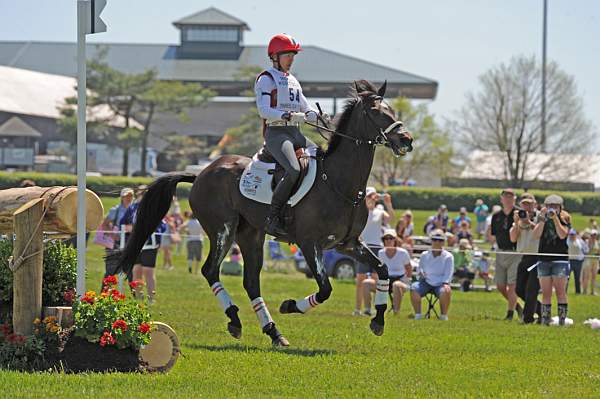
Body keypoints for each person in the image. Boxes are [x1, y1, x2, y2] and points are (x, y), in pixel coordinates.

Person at [255, 33, 329, 237]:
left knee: (323, 160)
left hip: (295, 133)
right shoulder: (266, 79)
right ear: (275, 56)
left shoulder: (293, 81)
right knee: (295, 169)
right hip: (277, 134)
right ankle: (273, 217)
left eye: (293, 55)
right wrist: (286, 114)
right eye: (288, 55)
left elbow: (306, 108)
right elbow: (263, 110)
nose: (291, 59)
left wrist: (319, 116)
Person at [121, 192, 167, 304]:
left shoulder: (154, 209)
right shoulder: (132, 208)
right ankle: (138, 298)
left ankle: (151, 298)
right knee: (136, 271)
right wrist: (131, 228)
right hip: (136, 244)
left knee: (148, 271)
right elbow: (123, 224)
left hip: (150, 244)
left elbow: (162, 226)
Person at [354, 187, 394, 316]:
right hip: (363, 246)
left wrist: (388, 204)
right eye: (369, 196)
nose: (372, 199)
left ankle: (376, 309)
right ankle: (357, 309)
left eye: (373, 196)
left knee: (377, 280)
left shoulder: (379, 212)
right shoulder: (360, 211)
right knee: (360, 280)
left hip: (377, 247)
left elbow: (391, 218)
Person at [533, 194, 571, 325]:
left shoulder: (565, 218)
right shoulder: (541, 218)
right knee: (546, 293)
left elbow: (562, 235)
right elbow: (536, 235)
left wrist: (555, 219)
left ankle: (561, 321)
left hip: (560, 260)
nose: (551, 209)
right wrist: (543, 219)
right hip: (543, 259)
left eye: (555, 206)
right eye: (549, 206)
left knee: (560, 292)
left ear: (560, 208)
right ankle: (545, 320)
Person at [490, 188, 522, 320]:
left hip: (515, 253)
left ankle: (509, 314)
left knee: (512, 285)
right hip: (500, 251)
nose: (508, 199)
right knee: (500, 285)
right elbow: (493, 234)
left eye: (511, 196)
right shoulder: (496, 216)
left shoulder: (520, 213)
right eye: (505, 196)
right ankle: (518, 307)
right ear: (501, 199)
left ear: (514, 198)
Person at [363, 229, 412, 315]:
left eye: (391, 238)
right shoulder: (380, 253)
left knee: (396, 285)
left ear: (395, 240)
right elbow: (377, 270)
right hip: (385, 281)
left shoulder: (403, 253)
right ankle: (367, 311)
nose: (388, 240)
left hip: (400, 281)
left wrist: (407, 281)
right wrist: (376, 280)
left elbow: (409, 269)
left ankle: (396, 313)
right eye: (386, 238)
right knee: (366, 283)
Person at [510, 193, 541, 323]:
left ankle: (527, 319)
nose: (527, 207)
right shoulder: (518, 218)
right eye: (524, 204)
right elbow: (513, 238)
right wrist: (518, 223)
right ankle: (542, 310)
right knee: (519, 289)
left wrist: (529, 222)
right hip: (524, 257)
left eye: (529, 203)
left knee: (531, 289)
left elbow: (541, 233)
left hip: (538, 257)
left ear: (534, 204)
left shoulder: (540, 217)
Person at [411, 229, 453, 320]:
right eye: (435, 239)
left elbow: (448, 274)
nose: (437, 242)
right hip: (425, 282)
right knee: (414, 287)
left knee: (446, 290)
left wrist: (445, 284)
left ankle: (443, 316)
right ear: (431, 241)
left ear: (444, 242)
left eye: (440, 240)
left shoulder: (448, 256)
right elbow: (419, 269)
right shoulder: (424, 255)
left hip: (441, 284)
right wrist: (420, 274)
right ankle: (418, 315)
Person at [101, 188, 134, 278]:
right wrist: (113, 235)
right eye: (126, 196)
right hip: (115, 244)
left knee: (131, 273)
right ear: (122, 197)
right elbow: (105, 224)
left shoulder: (135, 211)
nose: (129, 198)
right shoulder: (115, 210)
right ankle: (104, 292)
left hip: (129, 243)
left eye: (131, 196)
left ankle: (135, 292)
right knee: (110, 272)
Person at [181, 210, 204, 274]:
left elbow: (181, 227)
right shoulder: (199, 222)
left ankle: (190, 267)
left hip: (190, 240)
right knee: (198, 257)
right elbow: (203, 230)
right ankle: (196, 271)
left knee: (190, 255)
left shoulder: (188, 222)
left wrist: (186, 231)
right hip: (199, 240)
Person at [567, 229, 587, 294]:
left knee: (578, 278)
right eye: (571, 234)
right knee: (567, 277)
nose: (572, 236)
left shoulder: (580, 241)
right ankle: (564, 291)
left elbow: (586, 249)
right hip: (569, 261)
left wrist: (583, 256)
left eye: (573, 234)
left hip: (578, 262)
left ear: (575, 234)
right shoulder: (567, 241)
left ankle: (578, 291)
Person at [581, 229, 599, 295]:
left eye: (595, 235)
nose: (593, 236)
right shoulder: (587, 241)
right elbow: (586, 250)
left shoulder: (597, 242)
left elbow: (598, 251)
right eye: (592, 235)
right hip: (588, 260)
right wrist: (590, 243)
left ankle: (592, 291)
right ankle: (585, 291)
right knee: (586, 276)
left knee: (594, 276)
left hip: (595, 260)